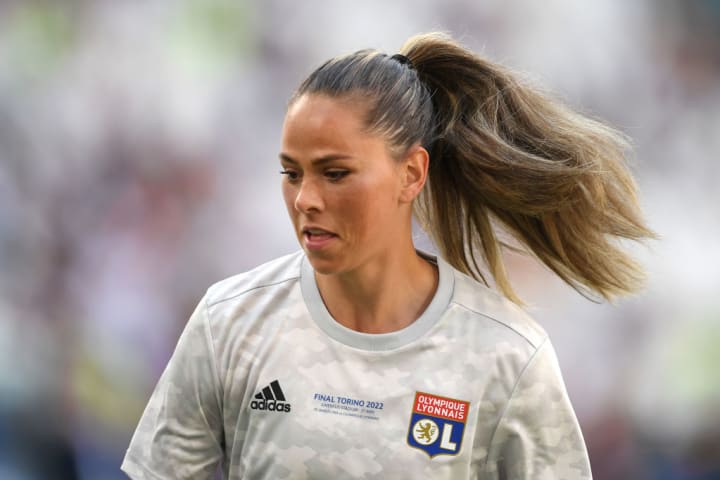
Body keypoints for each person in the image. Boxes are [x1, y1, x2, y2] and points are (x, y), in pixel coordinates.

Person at [121, 32, 655, 479]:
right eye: (291, 173)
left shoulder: (507, 357)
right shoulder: (230, 323)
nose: (306, 198)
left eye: (335, 173)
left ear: (411, 174)